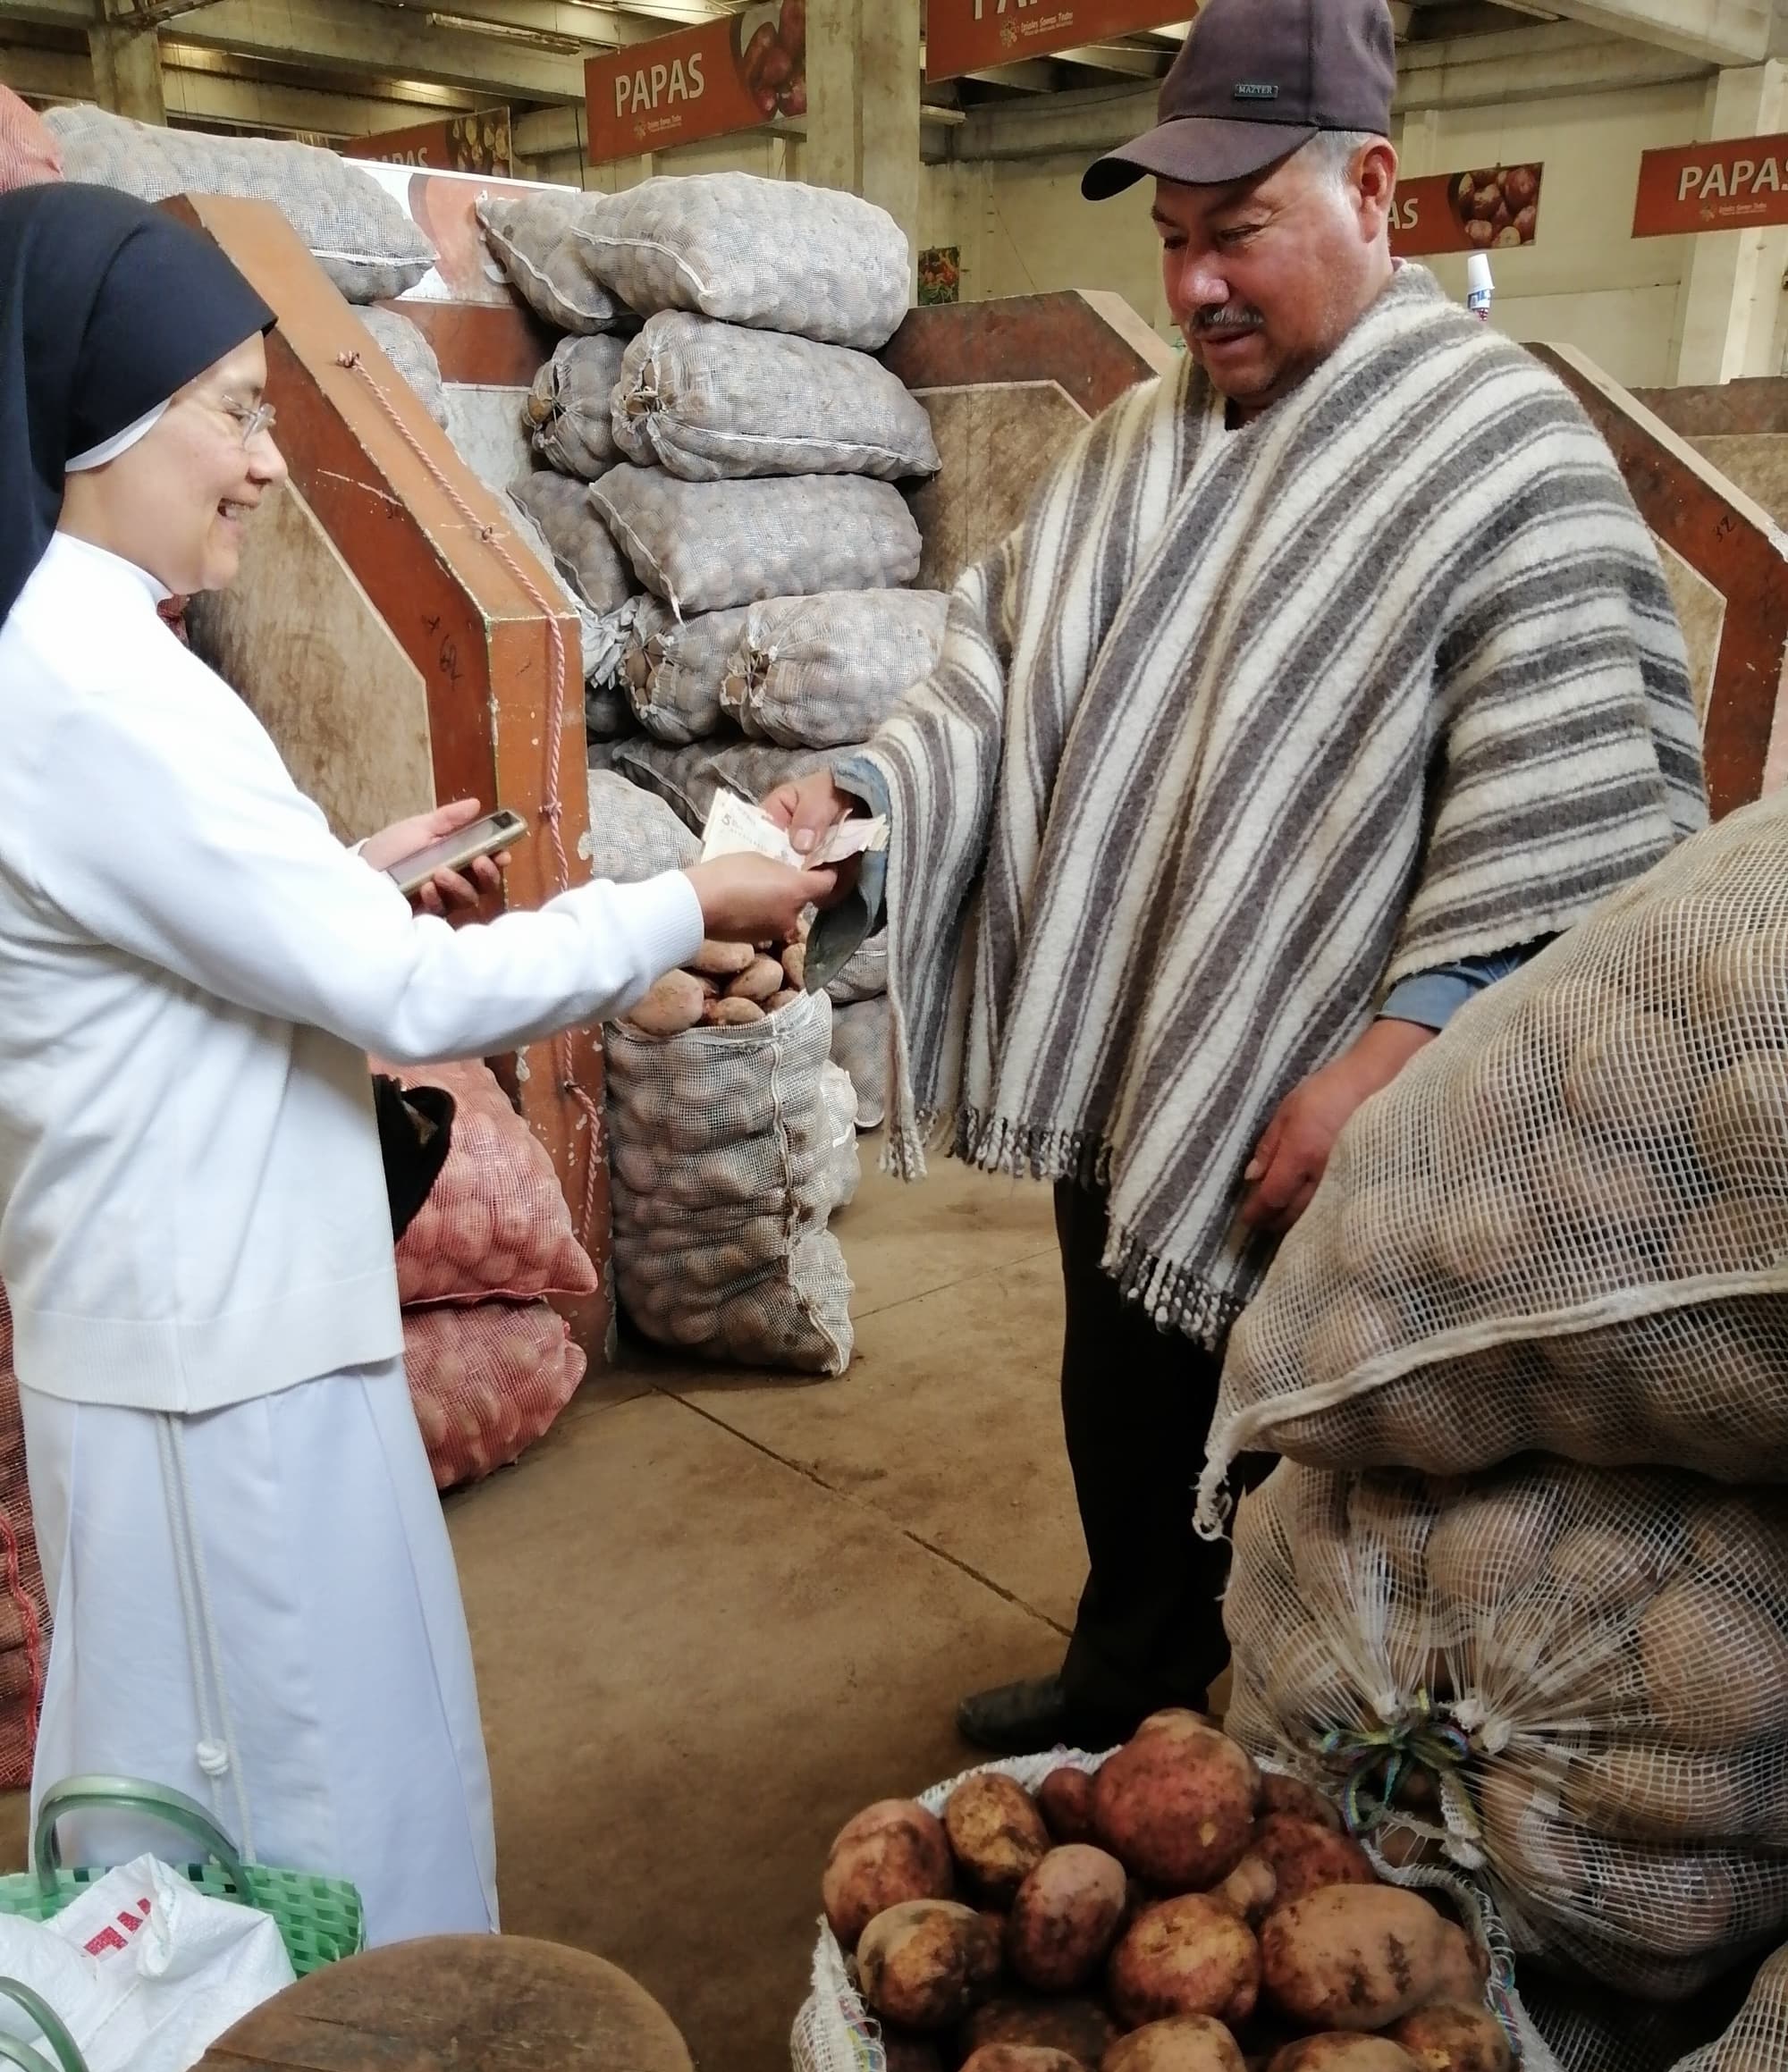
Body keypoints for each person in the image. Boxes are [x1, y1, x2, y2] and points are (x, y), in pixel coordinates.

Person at [769, 0, 1708, 1756]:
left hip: (1384, 1112)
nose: (1195, 287)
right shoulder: (1136, 444)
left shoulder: (1499, 447)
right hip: (1152, 1044)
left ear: (1373, 189)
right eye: (1172, 242)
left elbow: (1580, 823)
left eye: (1239, 234)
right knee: (1124, 1401)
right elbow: (998, 676)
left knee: (1329, 1473)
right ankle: (1126, 1677)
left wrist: (1390, 1052)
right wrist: (871, 803)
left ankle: (1308, 1761)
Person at [0, 181, 830, 1941]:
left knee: (300, 1789)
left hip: (215, 1337)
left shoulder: (80, 659)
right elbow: (406, 995)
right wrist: (682, 896)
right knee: (287, 1833)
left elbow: (160, 937)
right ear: (102, 423)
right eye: (231, 408)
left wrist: (341, 875)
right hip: (212, 1376)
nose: (264, 461)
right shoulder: (86, 683)